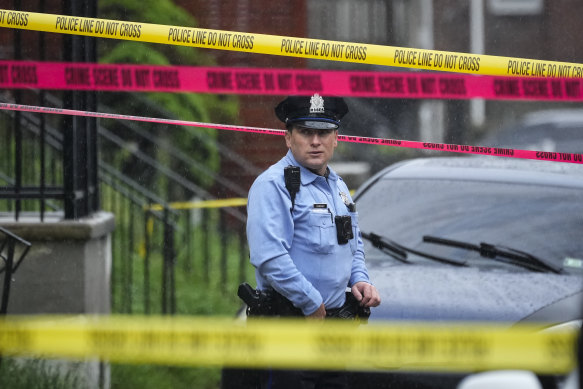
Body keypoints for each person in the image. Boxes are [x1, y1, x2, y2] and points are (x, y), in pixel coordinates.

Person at [245, 94, 381, 388]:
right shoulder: (273, 185)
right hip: (290, 329)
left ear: (336, 139)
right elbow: (269, 258)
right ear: (288, 138)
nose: (315, 141)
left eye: (324, 132)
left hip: (333, 331)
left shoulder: (338, 186)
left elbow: (352, 242)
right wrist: (310, 301)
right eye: (306, 132)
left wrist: (360, 279)